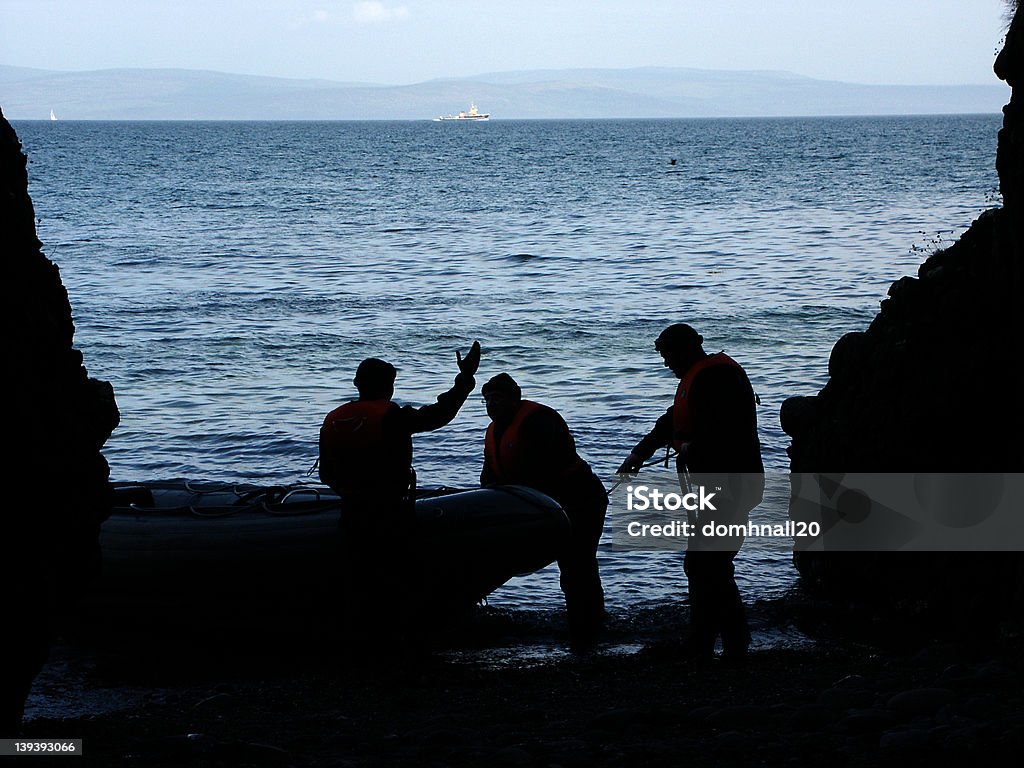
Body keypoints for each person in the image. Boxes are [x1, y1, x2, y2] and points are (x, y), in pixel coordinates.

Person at [617, 323, 764, 663]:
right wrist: (639, 454)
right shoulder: (699, 377)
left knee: (706, 564)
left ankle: (726, 644)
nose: (667, 363)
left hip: (730, 485)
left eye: (669, 356)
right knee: (707, 564)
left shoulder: (718, 378)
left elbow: (726, 429)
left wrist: (692, 447)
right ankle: (711, 642)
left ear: (686, 350)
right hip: (713, 487)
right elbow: (673, 421)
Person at [318, 341, 481, 637]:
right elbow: (439, 414)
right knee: (396, 580)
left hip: (351, 514)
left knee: (357, 581)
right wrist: (465, 379)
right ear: (389, 387)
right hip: (389, 513)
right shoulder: (391, 416)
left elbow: (326, 474)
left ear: (356, 384)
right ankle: (396, 645)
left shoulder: (333, 419)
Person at [480, 373, 607, 649]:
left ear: (515, 397)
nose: (491, 405)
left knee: (577, 566)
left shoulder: (539, 421)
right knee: (573, 569)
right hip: (536, 504)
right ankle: (584, 625)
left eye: (497, 398)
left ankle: (589, 629)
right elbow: (488, 474)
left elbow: (541, 470)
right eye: (487, 400)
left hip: (580, 500)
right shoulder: (494, 430)